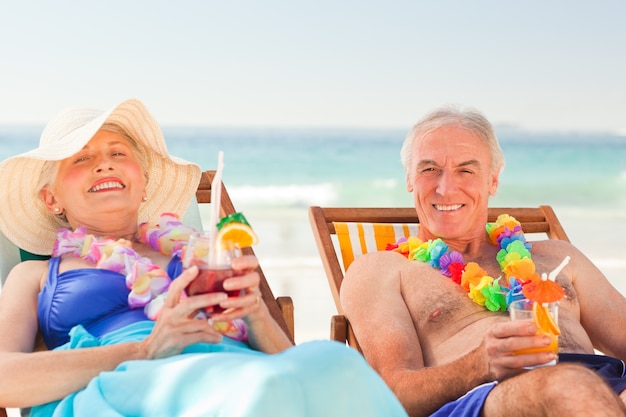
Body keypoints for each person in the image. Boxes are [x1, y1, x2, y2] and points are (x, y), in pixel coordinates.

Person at [0, 98, 408, 417]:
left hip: (239, 373)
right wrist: (145, 350)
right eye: (80, 158)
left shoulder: (203, 253)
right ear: (50, 198)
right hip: (127, 386)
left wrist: (256, 315)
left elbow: (289, 365)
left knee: (338, 363)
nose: (103, 161)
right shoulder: (33, 274)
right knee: (264, 391)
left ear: (143, 185)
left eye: (118, 152)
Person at [340, 106, 626, 417]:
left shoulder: (558, 256)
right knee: (570, 386)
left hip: (604, 387)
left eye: (466, 170)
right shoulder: (382, 271)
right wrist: (478, 364)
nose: (446, 188)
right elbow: (392, 395)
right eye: (429, 169)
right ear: (409, 178)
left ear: (493, 180)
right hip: (485, 398)